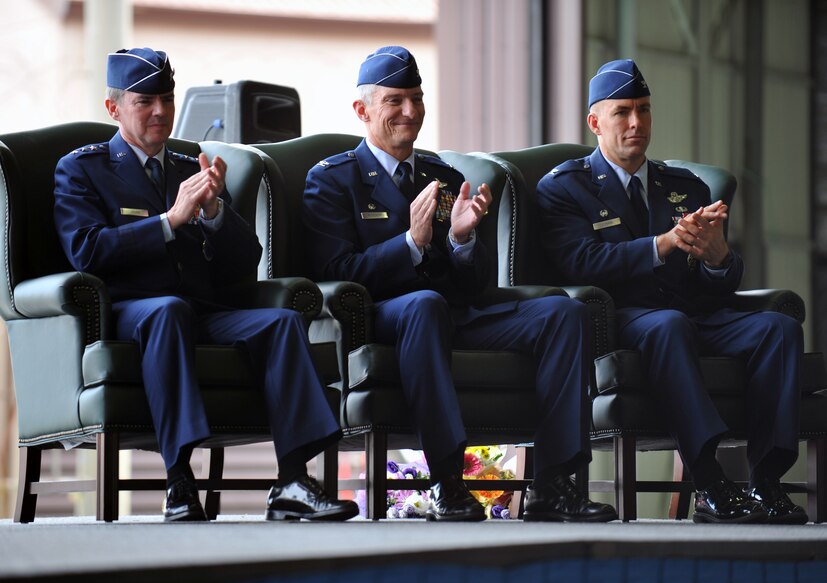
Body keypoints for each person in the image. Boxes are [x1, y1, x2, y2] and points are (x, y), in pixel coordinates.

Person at [302, 45, 617, 522]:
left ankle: (554, 483)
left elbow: (476, 288)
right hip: (382, 320)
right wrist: (409, 242)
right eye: (395, 101)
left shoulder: (445, 178)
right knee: (424, 303)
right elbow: (337, 272)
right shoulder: (332, 179)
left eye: (417, 98)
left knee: (563, 312)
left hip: (454, 315)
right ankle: (448, 481)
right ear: (362, 110)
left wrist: (463, 239)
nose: (410, 112)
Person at [53, 47, 358, 523]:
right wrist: (169, 221)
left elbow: (246, 261)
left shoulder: (189, 165)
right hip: (134, 312)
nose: (160, 111)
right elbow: (87, 251)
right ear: (113, 108)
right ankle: (179, 482)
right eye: (144, 101)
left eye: (167, 99)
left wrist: (215, 214)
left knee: (280, 322)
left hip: (204, 309)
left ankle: (293, 481)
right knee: (167, 309)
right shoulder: (83, 168)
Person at [536, 59, 807, 524]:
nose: (636, 123)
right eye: (622, 112)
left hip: (690, 314)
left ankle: (766, 483)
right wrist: (661, 246)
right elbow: (579, 263)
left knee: (778, 329)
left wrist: (718, 258)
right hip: (621, 317)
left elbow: (713, 285)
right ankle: (709, 482)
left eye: (643, 109)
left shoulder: (685, 186)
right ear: (594, 122)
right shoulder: (566, 187)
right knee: (668, 324)